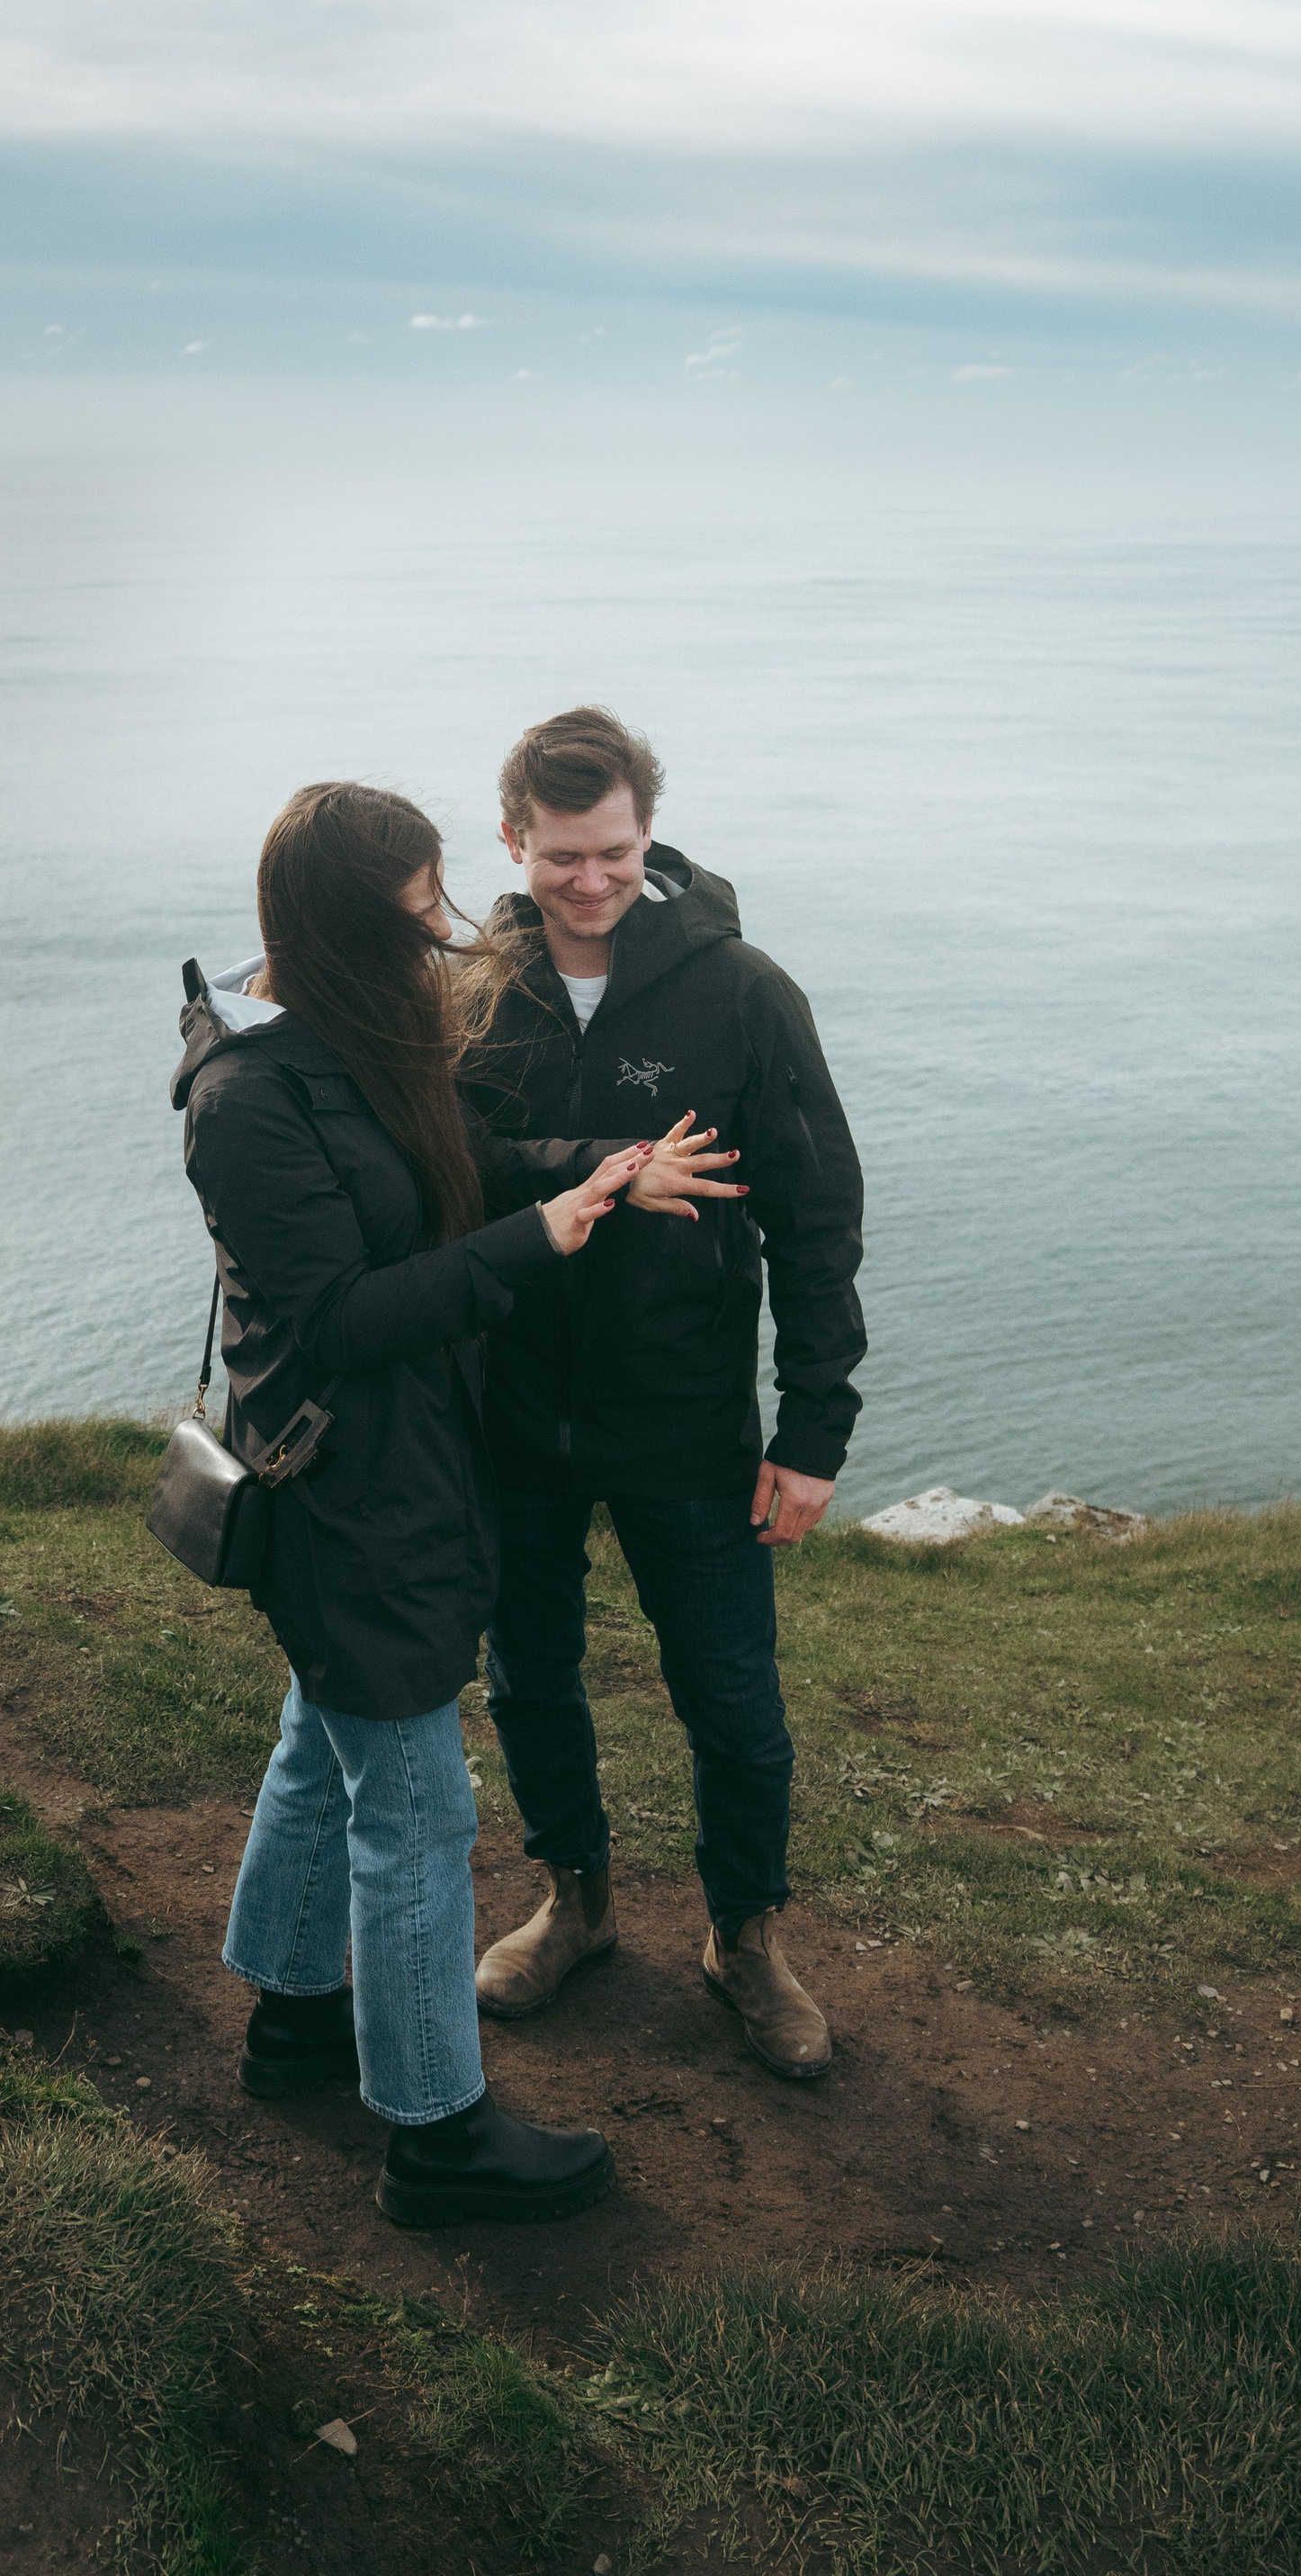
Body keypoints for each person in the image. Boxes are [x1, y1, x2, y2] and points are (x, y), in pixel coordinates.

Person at [172, 776, 718, 2224]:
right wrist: (539, 1241)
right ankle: (437, 2134)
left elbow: (439, 1174)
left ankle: (294, 2021)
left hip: (392, 1467)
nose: (449, 941)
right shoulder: (246, 1100)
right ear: (353, 923)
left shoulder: (330, 1040)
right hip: (348, 1486)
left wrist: (588, 1175)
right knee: (412, 1813)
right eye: (422, 918)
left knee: (323, 1743)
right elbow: (340, 1318)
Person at [460, 705, 866, 2082]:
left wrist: (814, 1432)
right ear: (512, 838)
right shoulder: (469, 987)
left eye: (616, 852)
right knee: (531, 1677)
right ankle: (572, 1901)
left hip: (683, 1412)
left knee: (735, 1700)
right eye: (562, 854)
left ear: (652, 832)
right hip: (509, 1400)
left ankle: (745, 1937)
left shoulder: (743, 992)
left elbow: (820, 1222)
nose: (590, 881)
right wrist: (604, 1164)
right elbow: (437, 1164)